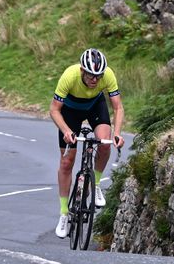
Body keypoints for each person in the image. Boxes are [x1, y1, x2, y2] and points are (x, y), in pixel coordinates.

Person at [52, 47, 124, 238]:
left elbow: (117, 107)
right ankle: (64, 213)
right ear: (82, 71)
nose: (95, 80)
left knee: (105, 142)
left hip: (95, 107)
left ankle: (96, 184)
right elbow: (54, 110)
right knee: (67, 161)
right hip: (70, 112)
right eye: (91, 75)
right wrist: (66, 131)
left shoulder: (107, 75)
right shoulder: (69, 76)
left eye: (98, 76)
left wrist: (117, 133)